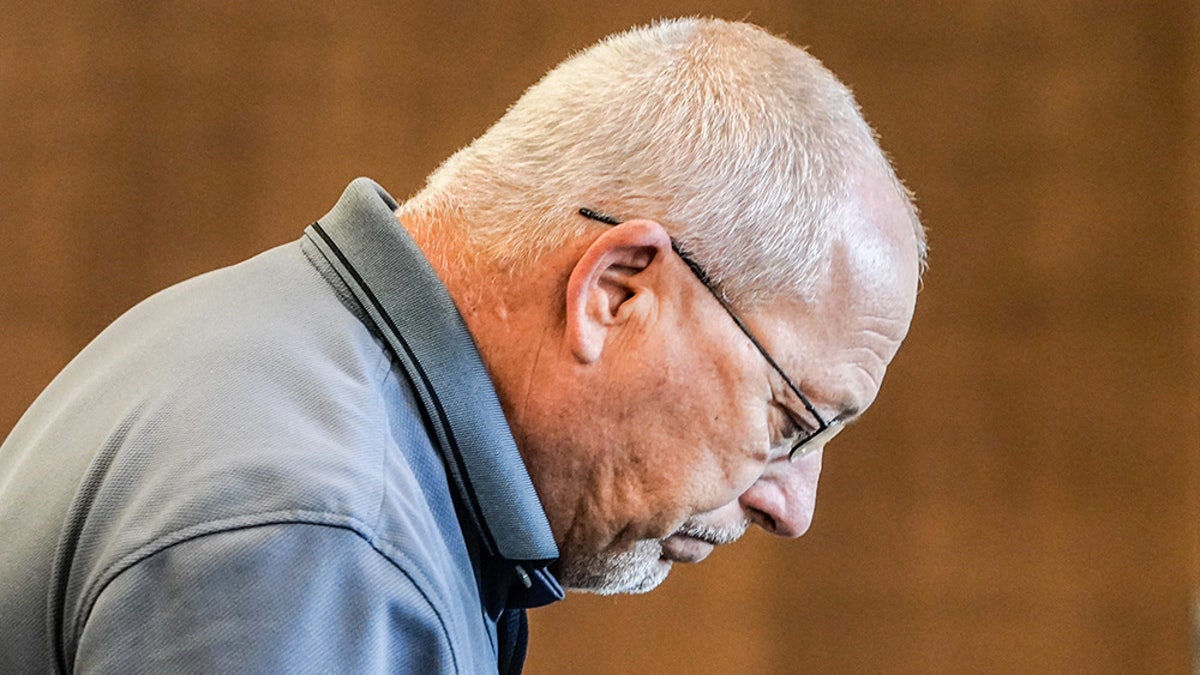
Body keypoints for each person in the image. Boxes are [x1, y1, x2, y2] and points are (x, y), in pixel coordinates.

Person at [0, 17, 925, 674]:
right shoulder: (325, 535)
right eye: (791, 420)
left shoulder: (284, 365)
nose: (790, 505)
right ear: (617, 289)